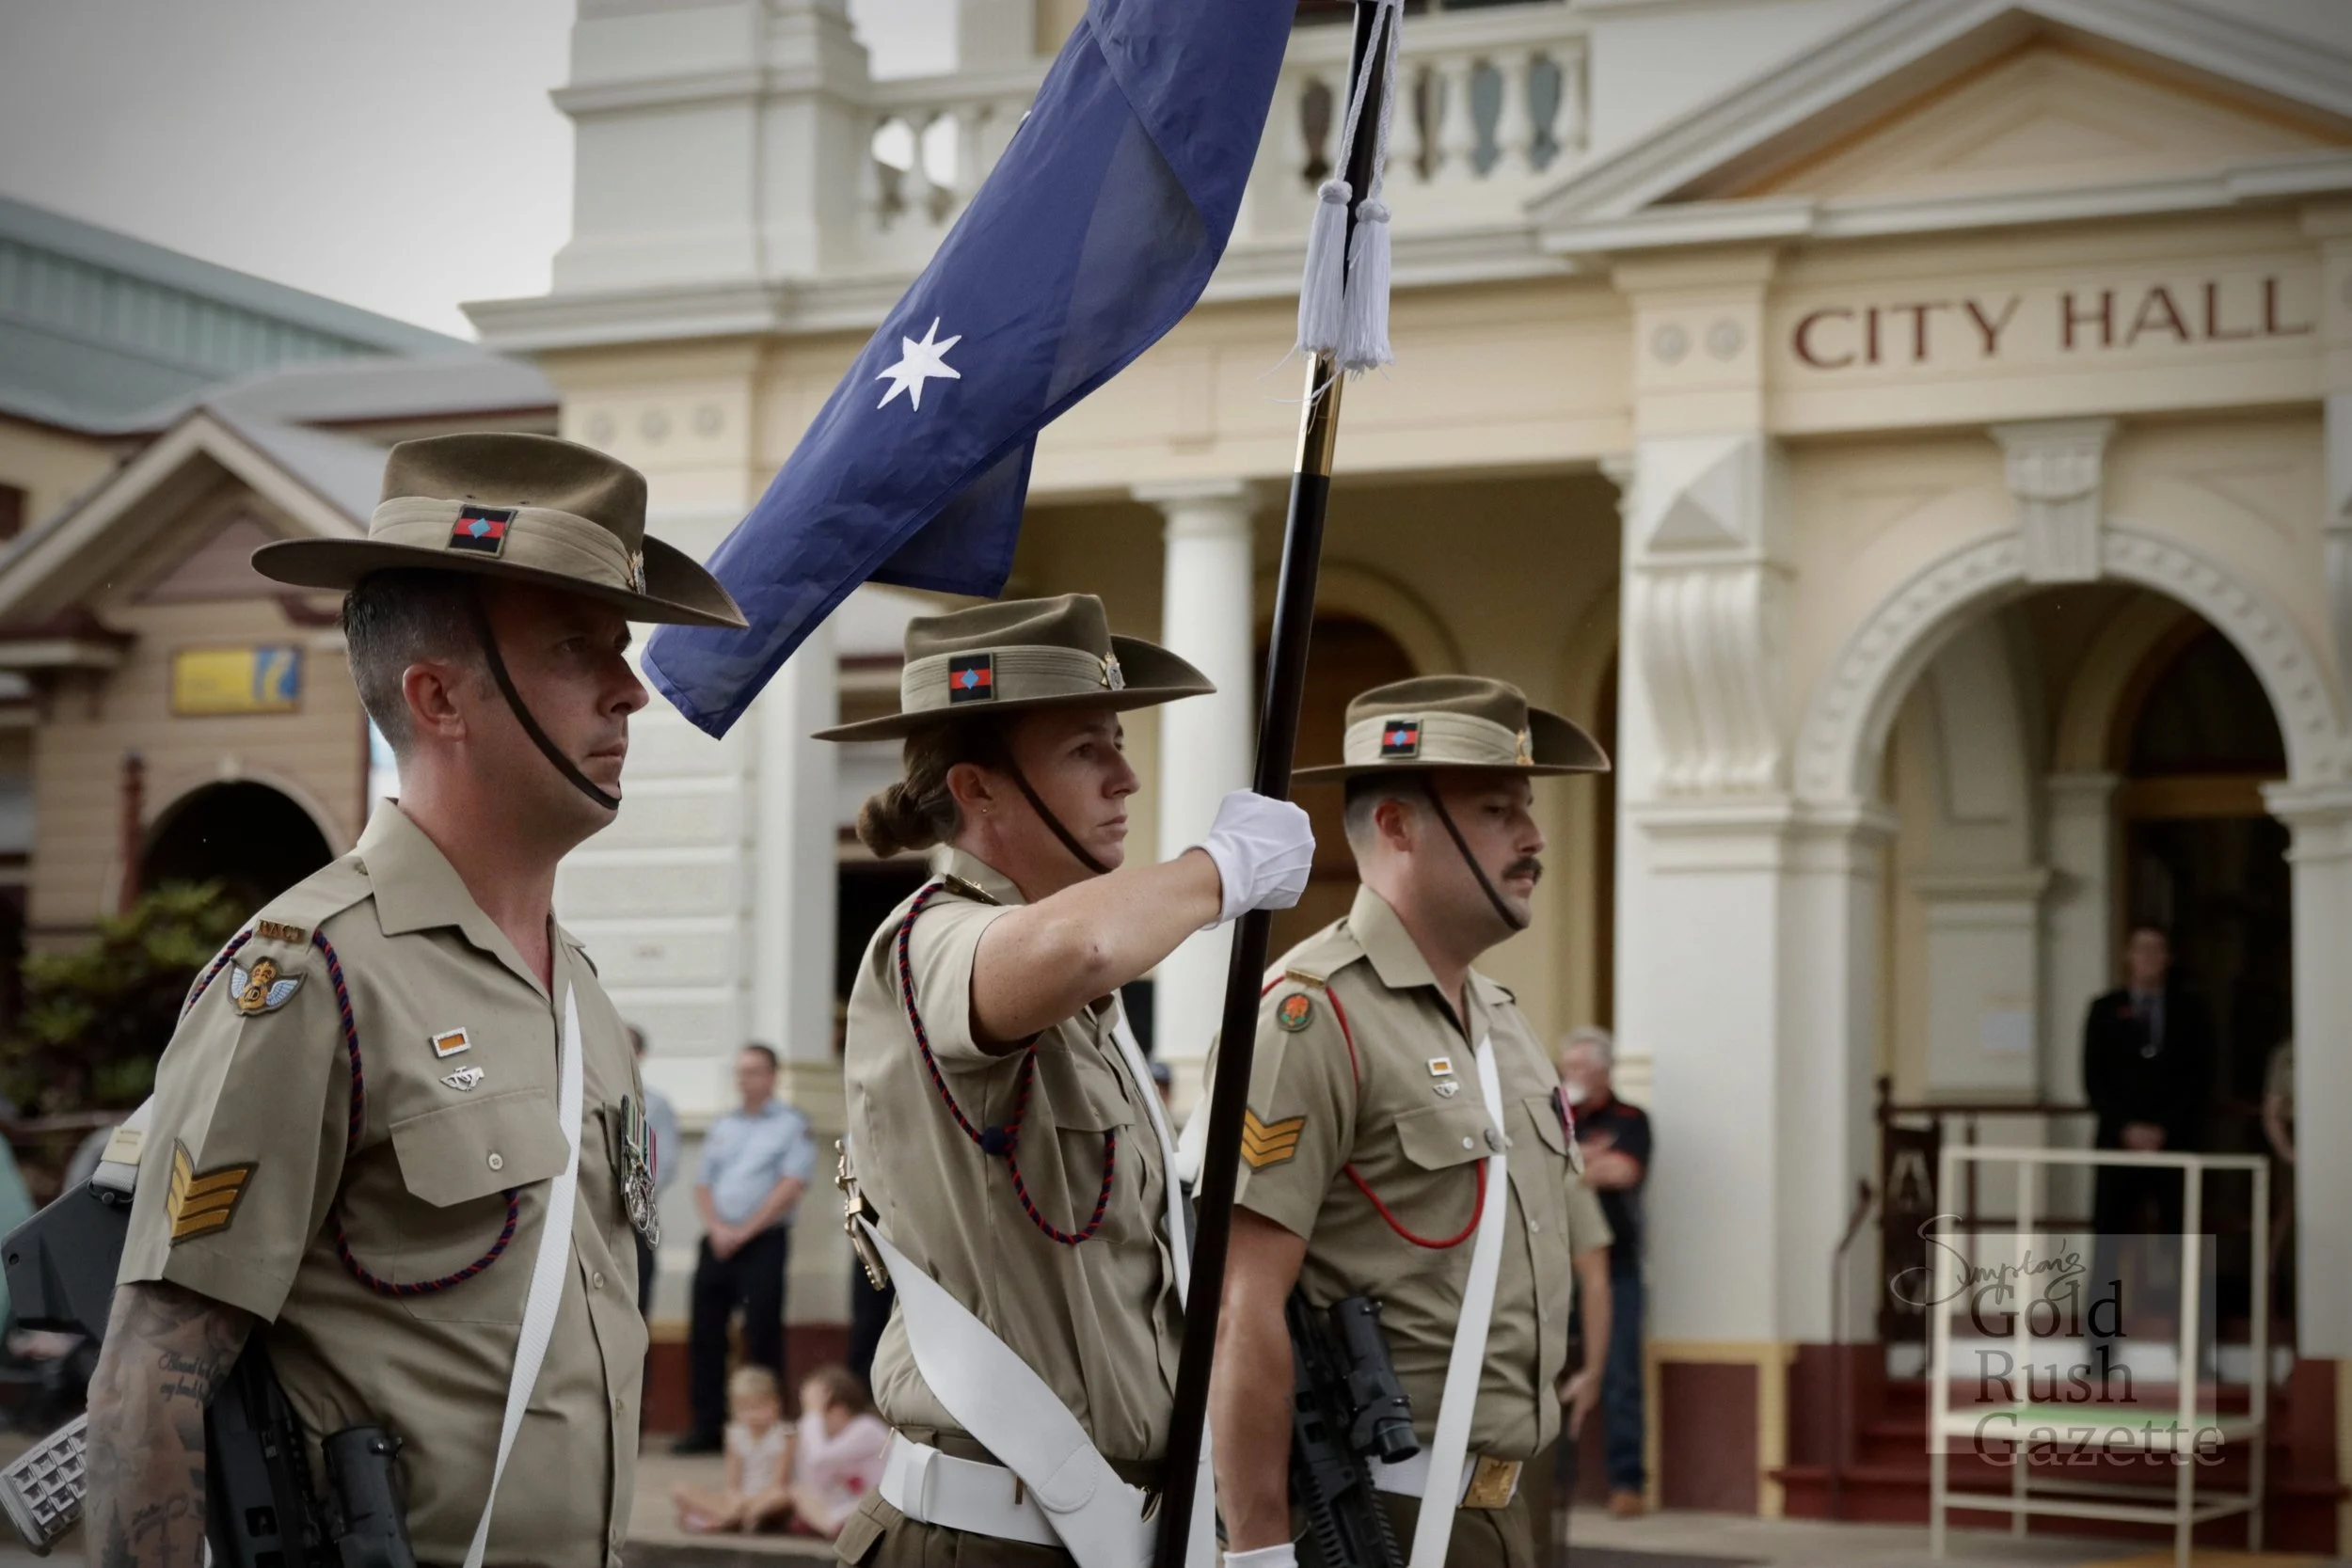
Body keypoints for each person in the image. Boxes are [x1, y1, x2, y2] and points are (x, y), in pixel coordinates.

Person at [83, 432, 744, 1567]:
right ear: (438, 696)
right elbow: (154, 1371)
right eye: (579, 645)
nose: (631, 688)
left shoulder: (576, 992)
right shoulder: (309, 972)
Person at [818, 594, 1315, 1565]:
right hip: (976, 1536)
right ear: (982, 788)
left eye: (1118, 743)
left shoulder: (1088, 1010)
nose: (1127, 777)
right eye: (1087, 749)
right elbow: (1084, 941)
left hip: (1106, 1532)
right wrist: (1222, 867)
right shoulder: (928, 940)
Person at [1205, 675, 1616, 1568]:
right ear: (1397, 825)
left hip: (1510, 1510)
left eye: (1527, 808)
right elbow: (1240, 1307)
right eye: (1498, 807)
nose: (1534, 837)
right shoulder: (1309, 1017)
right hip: (1377, 1515)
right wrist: (1259, 1555)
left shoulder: (1502, 1021)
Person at [678, 1042, 817, 1452]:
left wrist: (746, 1230)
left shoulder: (792, 1125)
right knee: (704, 1333)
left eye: (753, 1071)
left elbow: (791, 1185)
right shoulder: (723, 1125)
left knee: (761, 1332)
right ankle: (706, 1426)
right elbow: (703, 1183)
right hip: (718, 1242)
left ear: (772, 1076)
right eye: (740, 1072)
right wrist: (719, 1228)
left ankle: (765, 1429)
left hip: (764, 1242)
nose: (745, 1079)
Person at [2081, 924, 2213, 1336]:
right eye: (2141, 949)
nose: (2149, 957)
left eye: (2157, 949)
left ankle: (2195, 1350)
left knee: (2186, 1246)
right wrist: (2127, 1129)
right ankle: (2099, 1352)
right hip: (2117, 1145)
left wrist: (2163, 1131)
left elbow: (2201, 1079)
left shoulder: (2192, 1011)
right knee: (2107, 1246)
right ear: (2128, 956)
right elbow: (2093, 1078)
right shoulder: (2104, 1009)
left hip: (2174, 1144)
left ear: (2169, 957)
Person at [1558, 1026, 1651, 1520]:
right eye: (1566, 1068)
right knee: (1552, 1368)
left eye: (1580, 1068)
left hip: (1616, 1265)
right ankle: (1551, 1482)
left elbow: (1623, 1172)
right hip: (1557, 1267)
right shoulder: (1557, 1116)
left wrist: (1574, 1165)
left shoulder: (1632, 1119)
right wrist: (1588, 1159)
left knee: (1618, 1372)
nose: (1570, 1077)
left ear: (1603, 1070)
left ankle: (1626, 1482)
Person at [630, 1024, 682, 1319]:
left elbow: (664, 1164)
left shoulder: (657, 1105)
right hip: (589, 1217)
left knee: (638, 1301)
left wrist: (632, 1199)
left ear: (640, 1054)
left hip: (637, 1218)